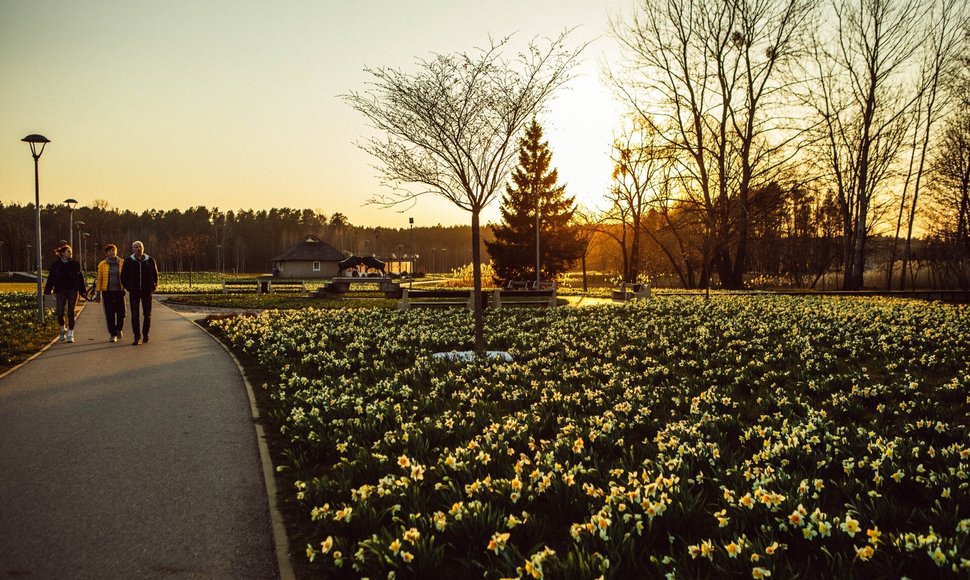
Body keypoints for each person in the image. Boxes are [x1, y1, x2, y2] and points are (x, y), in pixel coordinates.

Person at [43, 244, 86, 343]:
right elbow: (51, 278)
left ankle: (70, 333)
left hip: (72, 290)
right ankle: (62, 329)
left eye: (70, 251)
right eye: (68, 251)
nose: (70, 253)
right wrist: (47, 290)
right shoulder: (55, 265)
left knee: (71, 312)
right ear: (62, 253)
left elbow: (80, 278)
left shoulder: (75, 264)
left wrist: (82, 291)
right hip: (60, 290)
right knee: (60, 312)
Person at [120, 240, 159, 345]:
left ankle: (145, 335)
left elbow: (155, 275)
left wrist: (153, 286)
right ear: (133, 249)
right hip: (134, 292)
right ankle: (137, 337)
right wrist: (129, 287)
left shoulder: (150, 260)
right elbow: (123, 277)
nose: (138, 249)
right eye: (136, 247)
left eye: (140, 247)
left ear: (143, 248)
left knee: (147, 315)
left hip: (147, 291)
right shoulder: (128, 261)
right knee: (135, 315)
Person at [95, 243, 127, 342]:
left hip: (119, 291)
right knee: (110, 313)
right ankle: (113, 334)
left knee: (121, 313)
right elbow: (99, 279)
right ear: (106, 254)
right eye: (109, 251)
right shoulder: (102, 264)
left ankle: (119, 329)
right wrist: (97, 293)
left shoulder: (122, 262)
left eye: (113, 250)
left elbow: (127, 276)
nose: (112, 252)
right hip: (107, 292)